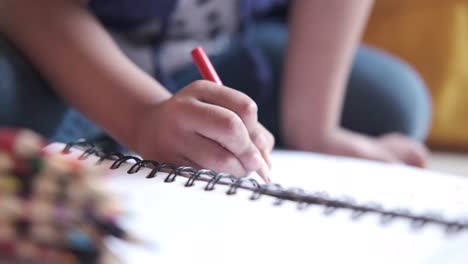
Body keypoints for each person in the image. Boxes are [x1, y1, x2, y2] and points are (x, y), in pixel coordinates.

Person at [0, 0, 431, 179]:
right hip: (69, 49)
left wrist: (317, 130)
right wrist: (141, 117)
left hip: (230, 48)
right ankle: (112, 125)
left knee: (394, 105)